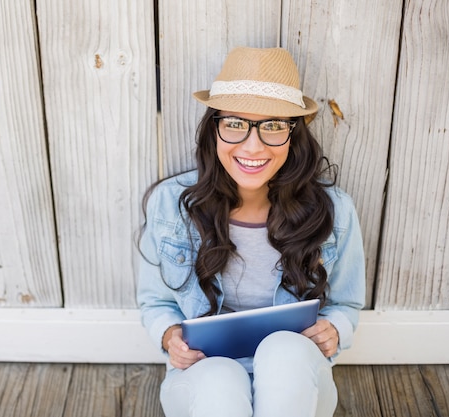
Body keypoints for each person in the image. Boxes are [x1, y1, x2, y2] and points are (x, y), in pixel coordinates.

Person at [137, 46, 366, 417]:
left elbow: (346, 304)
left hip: (297, 381)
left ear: (294, 134)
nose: (253, 145)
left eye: (273, 125)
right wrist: (169, 336)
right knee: (220, 376)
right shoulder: (170, 205)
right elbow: (155, 303)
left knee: (284, 349)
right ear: (214, 128)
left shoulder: (335, 211)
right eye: (235, 123)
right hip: (202, 378)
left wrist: (335, 329)